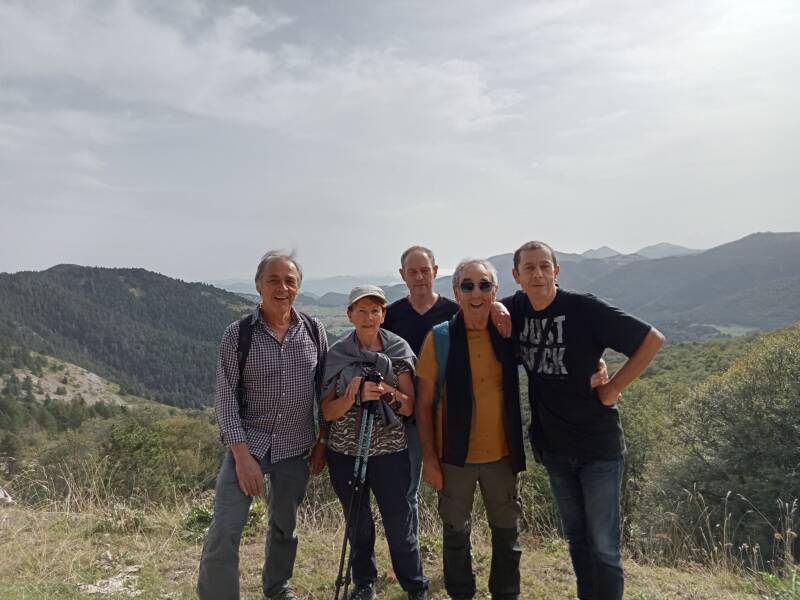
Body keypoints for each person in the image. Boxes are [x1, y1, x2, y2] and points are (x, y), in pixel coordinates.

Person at [504, 240, 665, 600]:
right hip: (553, 446)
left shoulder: (583, 308)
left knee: (604, 545)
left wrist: (613, 388)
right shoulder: (515, 309)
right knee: (577, 539)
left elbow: (652, 339)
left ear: (556, 271)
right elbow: (477, 308)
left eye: (544, 266)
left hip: (598, 447)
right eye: (529, 268)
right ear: (516, 275)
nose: (538, 274)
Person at [198, 251, 329, 600]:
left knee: (285, 527)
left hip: (295, 445)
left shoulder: (314, 331)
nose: (282, 288)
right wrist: (241, 457)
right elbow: (225, 398)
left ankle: (277, 588)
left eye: (290, 281)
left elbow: (324, 392)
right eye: (273, 280)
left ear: (298, 287)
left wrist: (323, 442)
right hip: (248, 444)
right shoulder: (238, 334)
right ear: (259, 285)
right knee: (225, 529)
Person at [384, 246, 512, 544]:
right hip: (404, 417)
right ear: (402, 275)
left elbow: (479, 310)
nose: (419, 277)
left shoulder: (453, 311)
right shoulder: (392, 315)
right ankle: (411, 554)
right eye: (412, 272)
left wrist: (498, 306)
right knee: (406, 492)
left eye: (424, 271)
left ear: (435, 272)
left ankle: (452, 550)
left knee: (455, 495)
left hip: (449, 420)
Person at [415, 259, 526, 600]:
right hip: (455, 456)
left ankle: (505, 593)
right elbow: (423, 404)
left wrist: (596, 363)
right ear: (456, 293)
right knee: (455, 534)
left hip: (502, 455)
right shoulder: (440, 338)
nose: (476, 293)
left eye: (484, 285)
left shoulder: (508, 332)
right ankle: (461, 593)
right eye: (467, 285)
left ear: (495, 291)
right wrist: (430, 459)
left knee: (507, 534)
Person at [322, 285, 429, 600]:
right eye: (362, 311)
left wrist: (386, 392)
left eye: (375, 310)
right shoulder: (338, 354)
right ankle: (364, 583)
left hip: (390, 453)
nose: (368, 317)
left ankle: (415, 586)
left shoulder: (398, 351)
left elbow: (409, 406)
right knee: (358, 524)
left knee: (399, 524)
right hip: (345, 453)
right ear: (350, 315)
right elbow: (327, 411)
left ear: (383, 314)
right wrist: (351, 397)